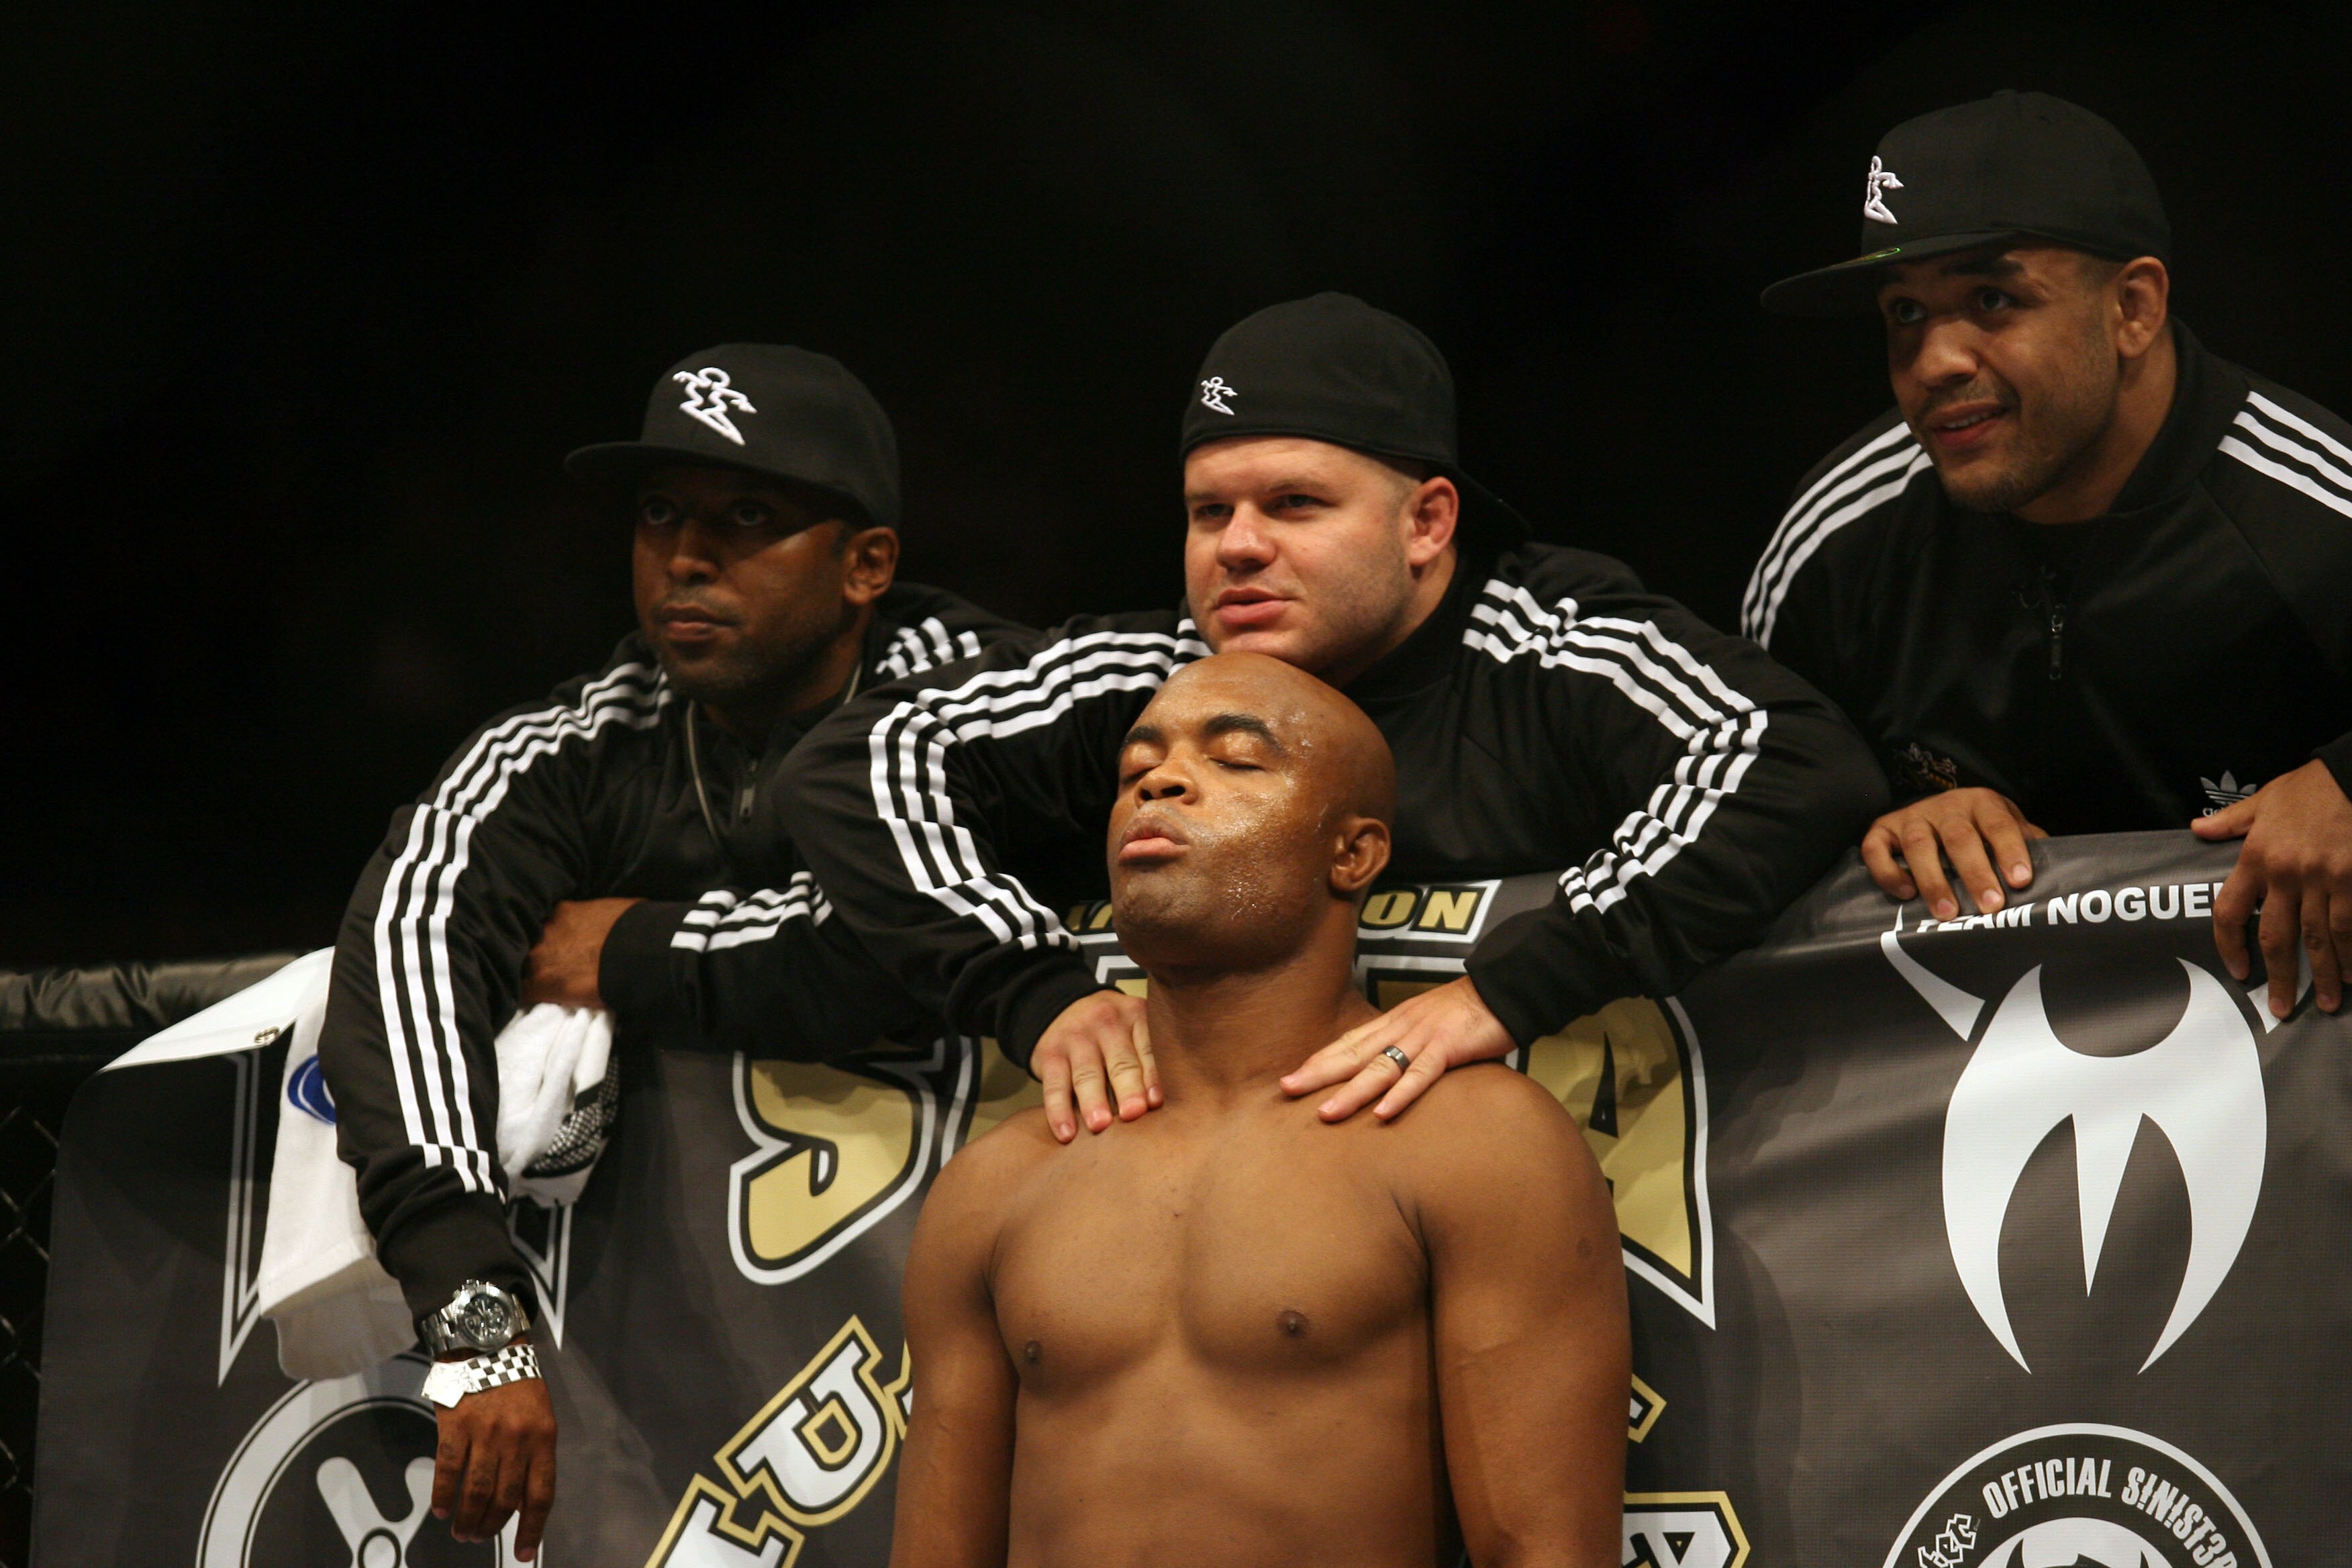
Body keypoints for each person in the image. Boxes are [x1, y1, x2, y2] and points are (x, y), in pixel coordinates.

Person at [782, 292, 1887, 1142]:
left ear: (1428, 522)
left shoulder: (1544, 638)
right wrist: (1032, 993)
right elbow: (854, 762)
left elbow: (1792, 755)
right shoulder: (1163, 667)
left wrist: (1511, 989)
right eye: (1208, 511)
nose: (1238, 545)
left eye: (1295, 503)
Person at [317, 344, 1023, 1558]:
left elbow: (912, 943)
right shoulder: (591, 740)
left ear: (867, 565)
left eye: (747, 518)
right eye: (660, 514)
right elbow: (406, 942)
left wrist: (639, 949)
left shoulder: (986, 701)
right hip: (727, 1392)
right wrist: (480, 1325)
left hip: (1019, 1320)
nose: (686, 558)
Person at [890, 652, 1628, 1568]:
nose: (1159, 782)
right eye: (1136, 770)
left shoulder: (1476, 1140)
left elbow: (1547, 1550)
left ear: (1352, 853)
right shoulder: (997, 1183)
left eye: (1235, 759)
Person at [1747, 91, 2352, 1020]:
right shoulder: (1833, 546)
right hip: (1972, 1081)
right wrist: (1871, 830)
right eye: (1905, 312)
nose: (1935, 361)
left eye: (1991, 299)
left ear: (2134, 309)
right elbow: (1738, 809)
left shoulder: (2316, 514)